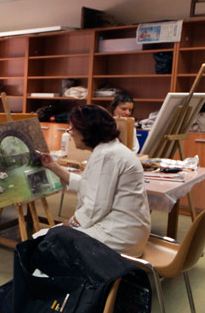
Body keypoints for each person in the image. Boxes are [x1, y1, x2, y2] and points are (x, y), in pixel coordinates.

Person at [39, 104, 151, 256]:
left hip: (118, 235)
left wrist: (70, 223)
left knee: (44, 243)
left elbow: (96, 207)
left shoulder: (106, 155)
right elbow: (88, 186)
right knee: (48, 237)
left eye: (73, 128)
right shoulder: (109, 150)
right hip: (126, 231)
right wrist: (53, 166)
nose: (70, 133)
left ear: (87, 130)